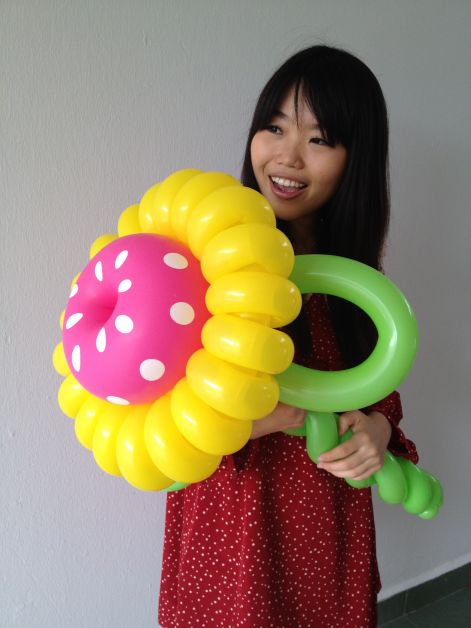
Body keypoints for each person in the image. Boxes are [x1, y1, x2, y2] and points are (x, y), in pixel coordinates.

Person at [158, 45, 418, 628]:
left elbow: (381, 400)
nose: (287, 155)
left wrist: (378, 430)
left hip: (326, 541)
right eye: (273, 126)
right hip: (231, 542)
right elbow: (163, 419)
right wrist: (268, 417)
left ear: (356, 158)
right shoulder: (203, 267)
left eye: (319, 138)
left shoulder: (357, 286)